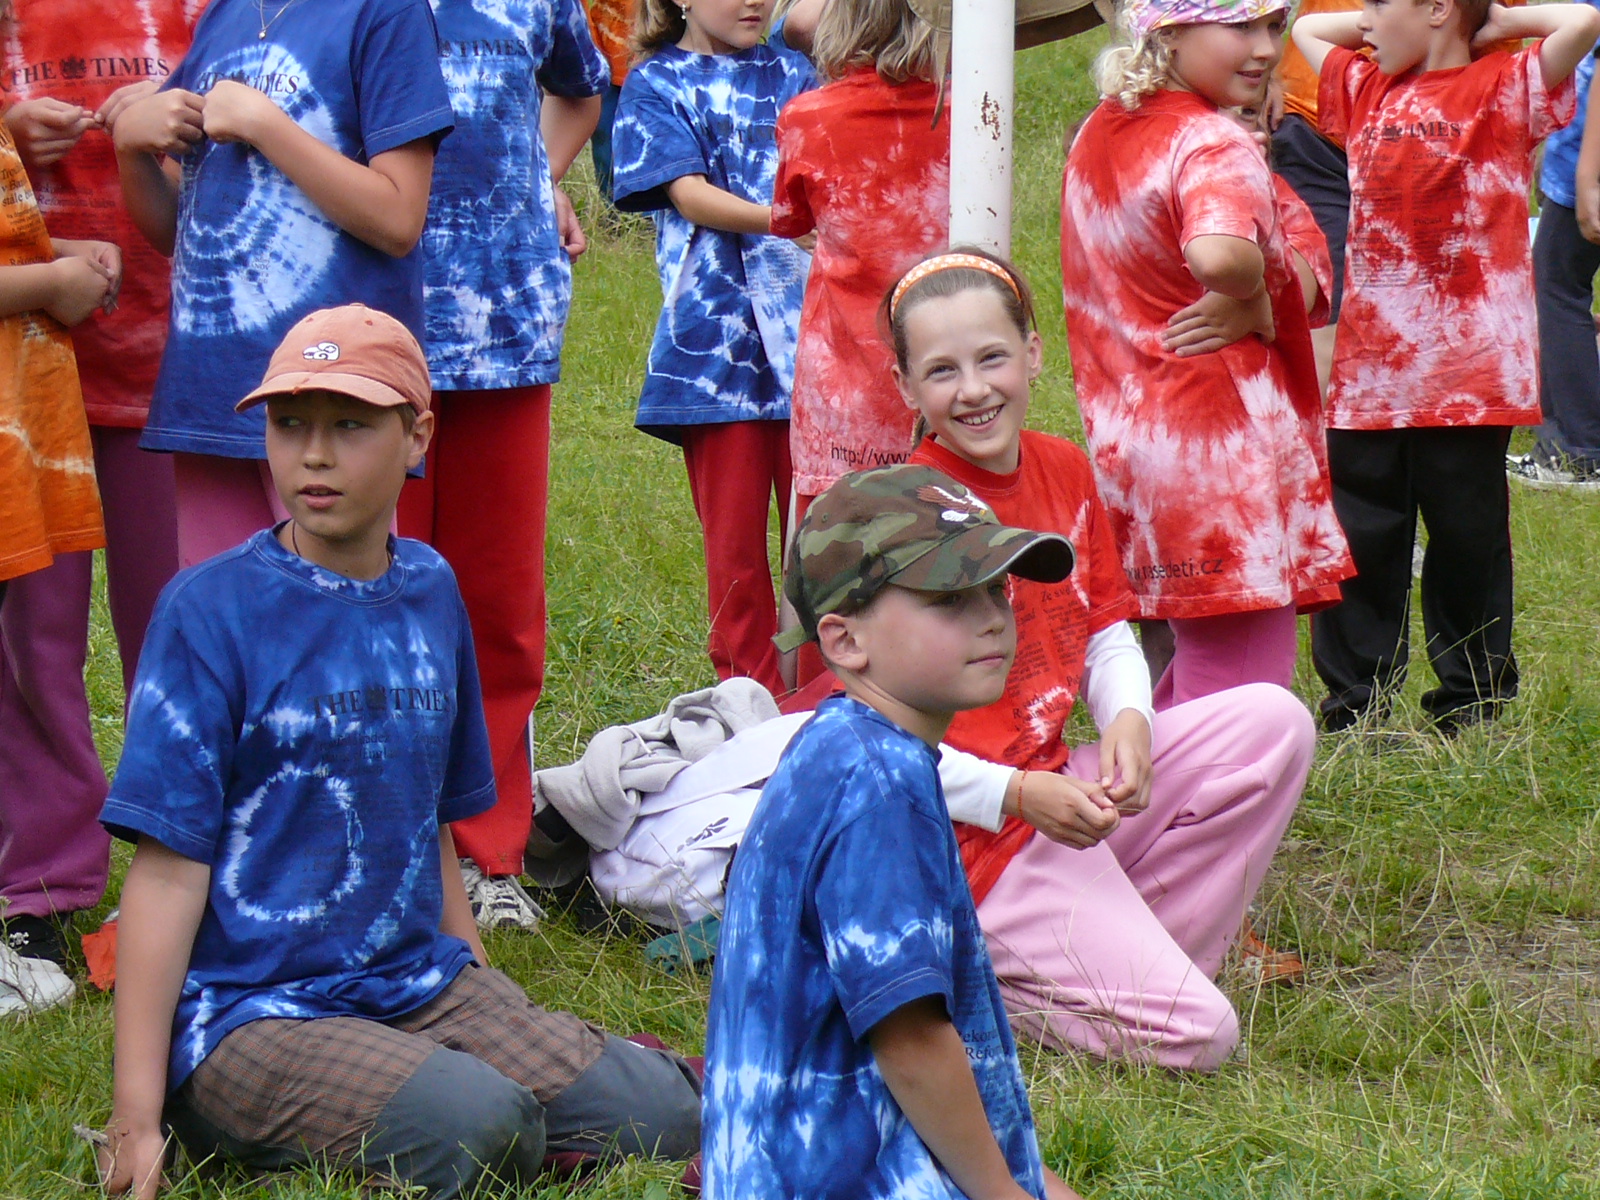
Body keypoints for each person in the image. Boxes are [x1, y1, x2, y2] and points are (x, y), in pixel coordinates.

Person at [96, 306, 701, 1200]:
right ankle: (377, 1108)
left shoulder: (429, 588)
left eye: (350, 425)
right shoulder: (208, 612)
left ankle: (462, 1089)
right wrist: (136, 1116)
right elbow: (165, 873)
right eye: (289, 424)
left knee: (666, 1110)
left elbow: (430, 823)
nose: (313, 455)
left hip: (415, 985)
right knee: (485, 1126)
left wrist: (487, 997)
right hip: (251, 1017)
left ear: (417, 434)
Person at [892, 250, 1311, 1067]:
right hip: (974, 846)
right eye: (941, 371)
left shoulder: (1060, 466)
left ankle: (1144, 957)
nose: (973, 389)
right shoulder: (906, 515)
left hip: (1060, 791)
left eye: (992, 357)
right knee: (1204, 1037)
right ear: (905, 387)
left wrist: (1128, 718)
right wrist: (1015, 793)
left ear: (1033, 353)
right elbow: (886, 753)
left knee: (1275, 723)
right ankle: (975, 980)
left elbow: (1104, 629)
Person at [703, 462, 1083, 1200]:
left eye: (996, 589)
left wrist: (1028, 1176)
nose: (992, 617)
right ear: (844, 641)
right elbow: (910, 1042)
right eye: (949, 598)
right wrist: (1003, 1193)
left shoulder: (843, 743)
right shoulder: (881, 786)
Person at [1293, 0, 1600, 733]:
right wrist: (1401, 22)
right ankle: (1357, 705)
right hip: (1371, 376)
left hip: (1470, 380)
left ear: (1436, 9)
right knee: (1363, 540)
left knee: (1467, 540)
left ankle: (1472, 698)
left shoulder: (1507, 87)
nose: (1363, 19)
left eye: (1379, 3)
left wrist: (1488, 23)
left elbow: (1581, 24)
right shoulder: (1366, 87)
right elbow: (1305, 30)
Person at [1060, 0, 1353, 710]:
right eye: (1240, 26)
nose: (1266, 49)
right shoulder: (1211, 140)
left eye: (1273, 26)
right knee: (1239, 702)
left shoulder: (1101, 130)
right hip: (1216, 456)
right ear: (1168, 31)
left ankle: (1153, 780)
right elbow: (1219, 254)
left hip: (1132, 441)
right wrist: (1252, 285)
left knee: (1186, 676)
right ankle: (1177, 792)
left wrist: (1262, 297)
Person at [110, 0, 454, 569]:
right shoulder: (223, 16)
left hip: (333, 392)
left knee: (336, 605)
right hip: (213, 394)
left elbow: (399, 218)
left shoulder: (386, 12)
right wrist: (131, 149)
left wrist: (266, 126)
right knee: (222, 609)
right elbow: (174, 227)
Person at [0, 0, 195, 986]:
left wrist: (178, 118)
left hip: (173, 367)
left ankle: (184, 870)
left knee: (182, 632)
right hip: (29, 386)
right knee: (32, 644)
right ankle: (41, 890)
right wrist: (13, 129)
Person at [399, 0, 604, 928]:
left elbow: (581, 89)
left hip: (506, 333)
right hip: (374, 331)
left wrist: (536, 175)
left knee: (498, 605)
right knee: (374, 597)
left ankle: (489, 853)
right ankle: (389, 843)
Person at [611, 0, 815, 696]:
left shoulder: (798, 75)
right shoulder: (655, 82)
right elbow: (690, 196)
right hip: (713, 360)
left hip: (812, 355)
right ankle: (747, 703)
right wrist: (784, 220)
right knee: (735, 558)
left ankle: (824, 701)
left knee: (823, 545)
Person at [0, 0, 118, 1012]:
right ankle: (30, 893)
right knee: (27, 653)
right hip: (25, 407)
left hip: (42, 420)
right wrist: (51, 280)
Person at [1516, 3, 1600, 488]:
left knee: (1556, 286)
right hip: (1577, 156)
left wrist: (1586, 174)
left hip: (1588, 166)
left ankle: (1575, 447)